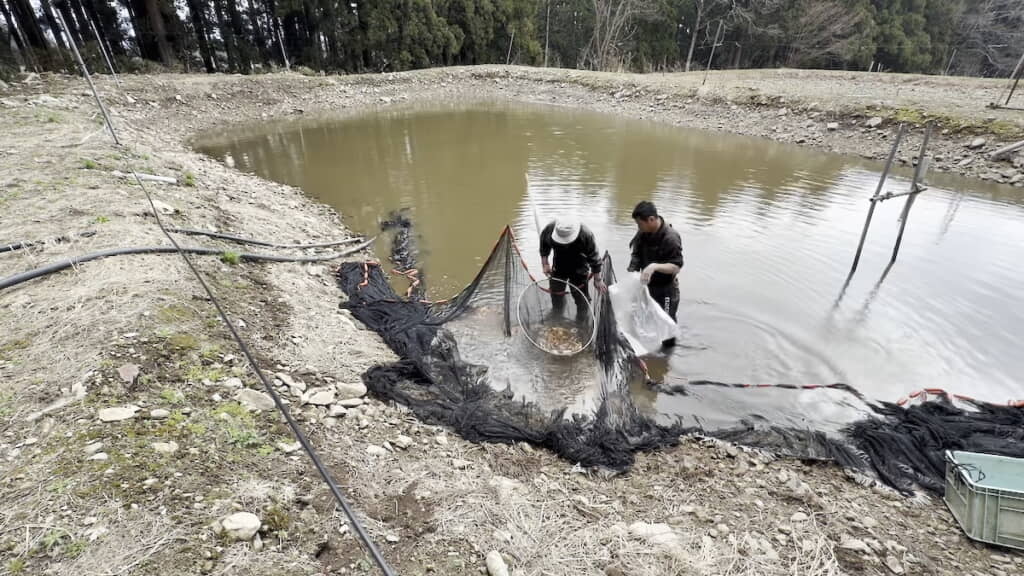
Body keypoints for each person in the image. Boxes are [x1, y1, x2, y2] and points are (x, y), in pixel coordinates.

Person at [628, 201, 684, 347]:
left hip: (666, 289)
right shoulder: (643, 232)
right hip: (647, 285)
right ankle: (650, 351)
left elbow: (676, 266)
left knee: (666, 324)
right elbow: (636, 254)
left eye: (640, 224)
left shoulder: (670, 238)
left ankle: (666, 359)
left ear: (651, 220)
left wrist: (654, 266)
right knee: (646, 318)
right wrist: (633, 271)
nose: (638, 227)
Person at [539, 219, 605, 321]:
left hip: (579, 266)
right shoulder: (550, 229)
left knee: (581, 299)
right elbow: (544, 244)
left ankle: (581, 321)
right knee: (556, 294)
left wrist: (598, 279)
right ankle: (557, 315)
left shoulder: (585, 234)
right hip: (559, 264)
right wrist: (545, 263)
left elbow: (594, 258)